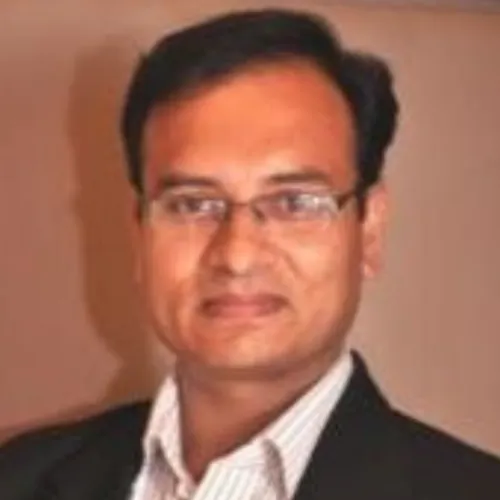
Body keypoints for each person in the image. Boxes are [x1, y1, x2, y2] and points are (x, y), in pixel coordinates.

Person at [0, 8, 499, 500]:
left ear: (368, 229)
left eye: (293, 202)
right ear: (140, 235)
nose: (237, 256)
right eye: (192, 204)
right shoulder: (16, 477)